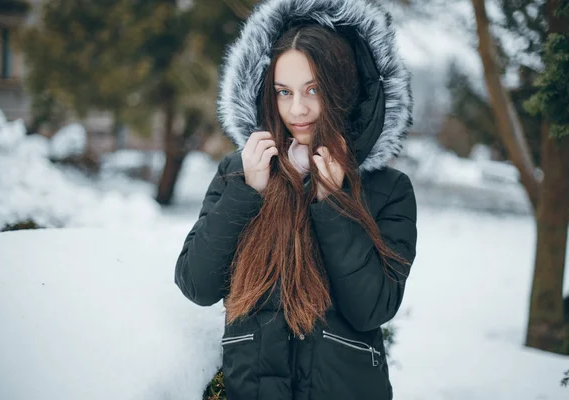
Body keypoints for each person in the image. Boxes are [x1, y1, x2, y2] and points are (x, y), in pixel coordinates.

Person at [174, 0, 417, 398]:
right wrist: (246, 192)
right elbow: (197, 284)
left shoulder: (387, 189)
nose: (297, 109)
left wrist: (331, 202)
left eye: (313, 90)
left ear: (345, 89)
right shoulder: (242, 171)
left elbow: (372, 308)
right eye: (283, 92)